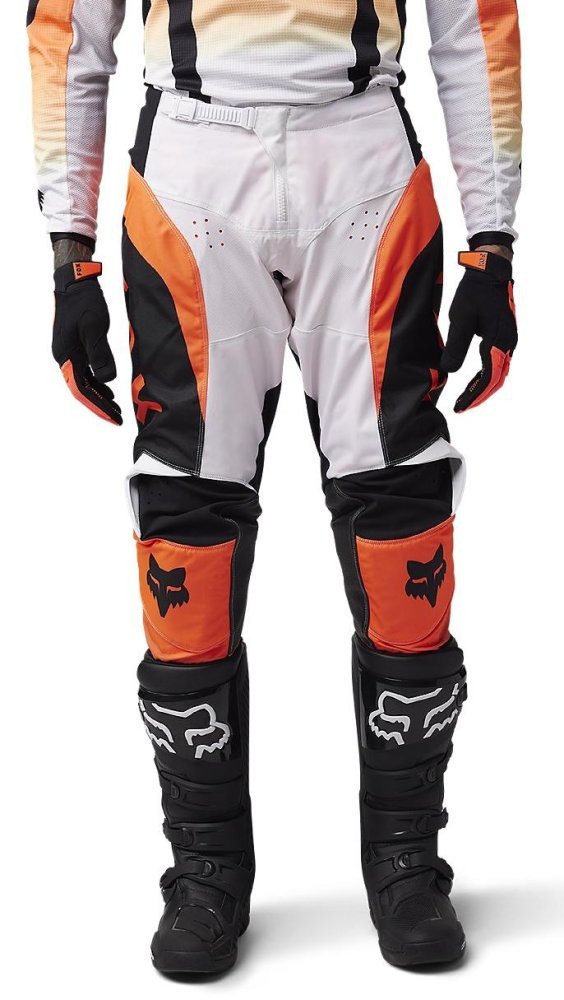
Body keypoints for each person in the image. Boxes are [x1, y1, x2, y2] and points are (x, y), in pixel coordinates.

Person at [27, 0, 521, 974]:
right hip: (193, 167)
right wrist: (66, 250)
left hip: (363, 160)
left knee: (403, 510)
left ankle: (406, 856)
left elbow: (474, 19)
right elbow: (71, 26)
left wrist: (494, 244)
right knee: (184, 522)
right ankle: (205, 865)